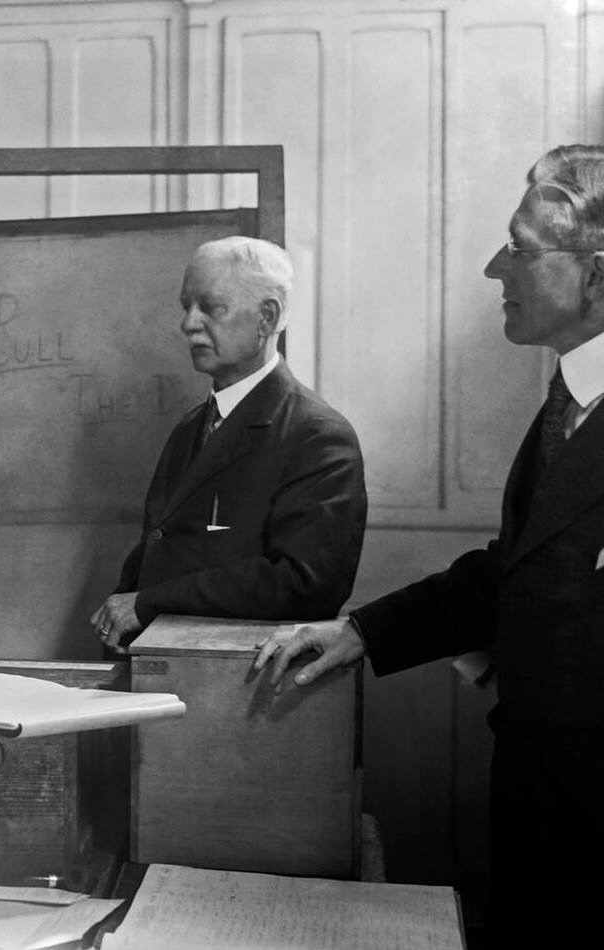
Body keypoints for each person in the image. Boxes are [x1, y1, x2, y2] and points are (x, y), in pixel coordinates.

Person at [253, 146, 604, 948]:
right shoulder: (568, 398)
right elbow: (516, 571)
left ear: (596, 274)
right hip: (540, 805)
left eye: (519, 248)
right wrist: (359, 631)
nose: (493, 268)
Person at [89, 235, 367, 650]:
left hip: (242, 684)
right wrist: (125, 611)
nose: (188, 323)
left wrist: (146, 604)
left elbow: (307, 583)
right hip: (166, 662)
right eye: (187, 306)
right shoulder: (190, 428)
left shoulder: (319, 436)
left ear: (267, 318)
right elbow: (161, 545)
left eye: (211, 307)